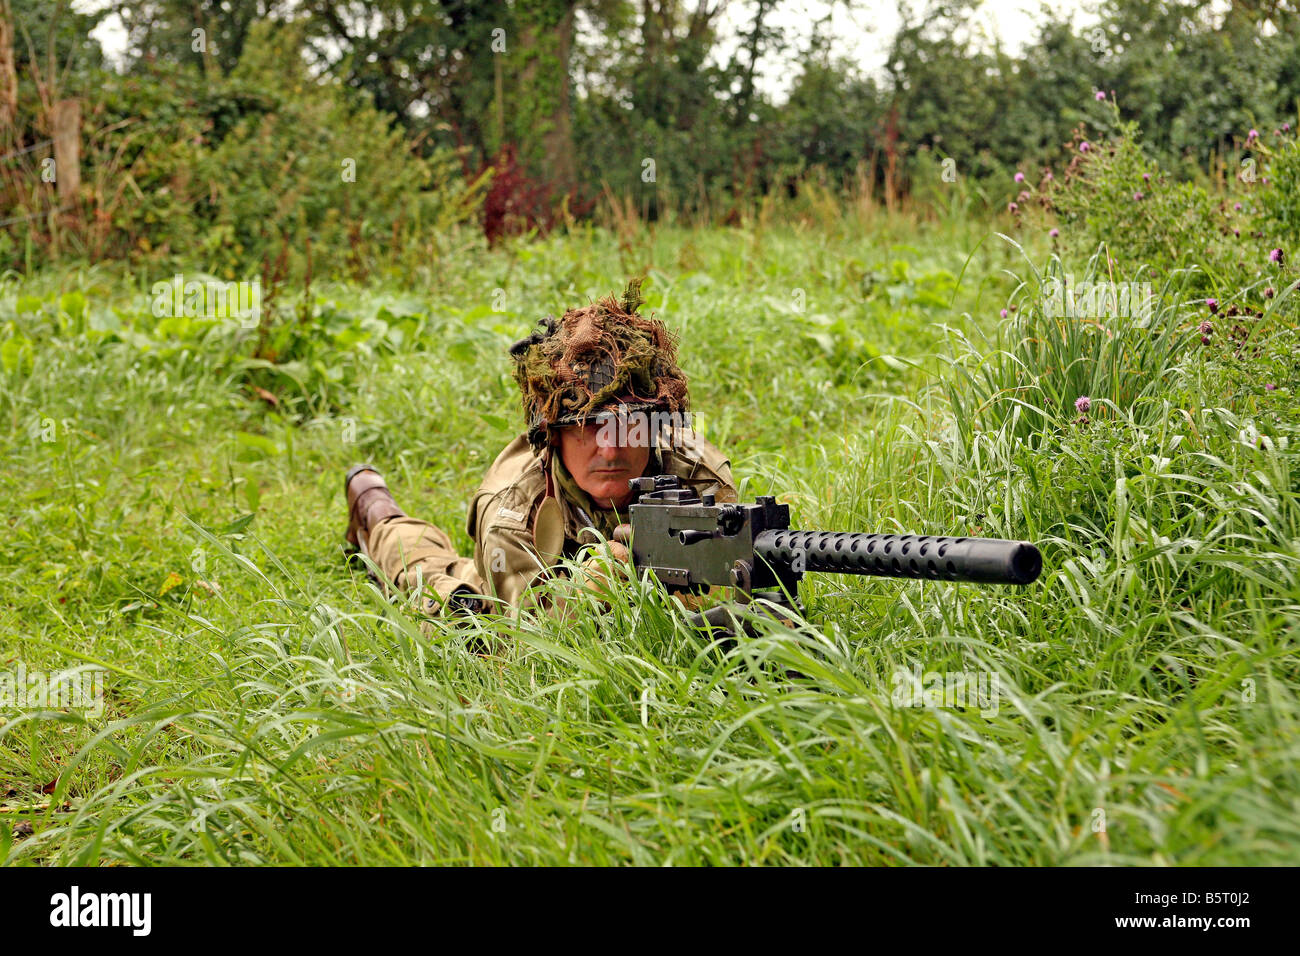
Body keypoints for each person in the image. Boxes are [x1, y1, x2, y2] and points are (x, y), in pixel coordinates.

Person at [342, 280, 737, 616]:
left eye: (628, 426)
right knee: (455, 603)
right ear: (553, 437)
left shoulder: (696, 474)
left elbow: (726, 593)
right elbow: (527, 640)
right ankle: (377, 511)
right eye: (587, 426)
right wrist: (593, 591)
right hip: (523, 579)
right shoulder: (510, 514)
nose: (612, 449)